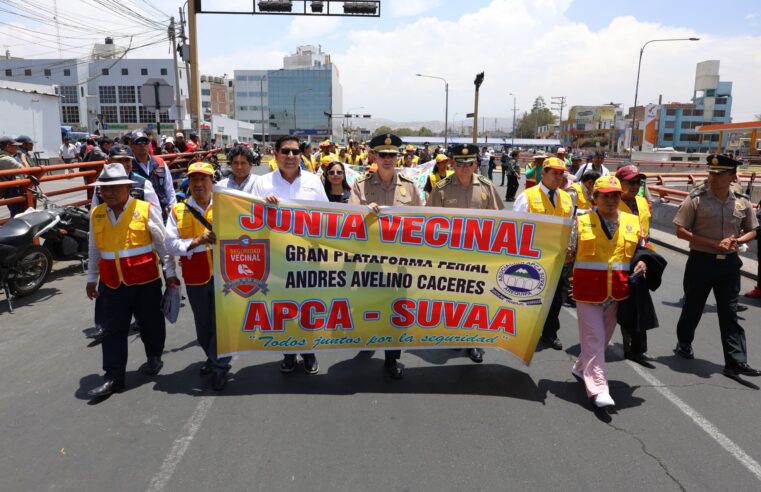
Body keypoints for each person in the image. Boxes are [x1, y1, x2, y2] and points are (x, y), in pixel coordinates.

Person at [85, 163, 178, 397]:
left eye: (115, 188)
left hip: (144, 280)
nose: (109, 193)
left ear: (127, 188)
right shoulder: (96, 214)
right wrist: (91, 278)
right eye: (105, 189)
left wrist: (170, 276)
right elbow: (94, 247)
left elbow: (163, 245)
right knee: (112, 330)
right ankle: (113, 377)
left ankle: (154, 356)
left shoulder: (145, 209)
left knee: (151, 323)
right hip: (112, 283)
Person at [673, 154, 760, 377]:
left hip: (729, 264)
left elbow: (753, 229)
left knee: (729, 312)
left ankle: (735, 361)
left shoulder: (741, 199)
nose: (713, 177)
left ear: (732, 176)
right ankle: (684, 342)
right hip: (701, 261)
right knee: (693, 306)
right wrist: (714, 243)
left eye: (719, 174)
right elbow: (681, 231)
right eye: (711, 172)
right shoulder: (696, 198)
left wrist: (738, 241)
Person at [251, 135, 328, 375]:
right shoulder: (262, 183)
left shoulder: (313, 181)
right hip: (277, 258)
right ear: (275, 154)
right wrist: (264, 207)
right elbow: (249, 215)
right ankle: (287, 353)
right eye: (285, 151)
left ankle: (308, 351)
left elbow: (327, 215)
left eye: (295, 152)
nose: (291, 156)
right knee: (282, 308)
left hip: (308, 257)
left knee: (307, 307)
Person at [349, 133, 421, 379]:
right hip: (371, 263)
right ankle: (369, 339)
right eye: (383, 154)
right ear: (374, 156)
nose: (388, 159)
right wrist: (363, 211)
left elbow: (423, 223)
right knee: (370, 308)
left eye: (392, 155)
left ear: (398, 157)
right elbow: (349, 218)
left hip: (400, 263)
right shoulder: (361, 185)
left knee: (395, 311)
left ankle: (392, 358)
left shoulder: (410, 187)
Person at [570, 176, 646, 408]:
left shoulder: (633, 222)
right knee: (594, 338)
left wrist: (644, 263)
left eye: (615, 195)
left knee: (602, 340)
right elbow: (568, 252)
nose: (611, 200)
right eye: (605, 196)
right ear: (595, 198)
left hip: (617, 292)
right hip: (587, 292)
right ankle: (599, 388)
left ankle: (581, 367)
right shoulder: (580, 222)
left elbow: (642, 251)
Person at [427, 143, 503, 363]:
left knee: (476, 300)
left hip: (479, 257)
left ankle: (472, 342)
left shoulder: (487, 187)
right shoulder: (441, 188)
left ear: (476, 164)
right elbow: (429, 223)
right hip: (450, 257)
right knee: (453, 299)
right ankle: (453, 335)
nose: (464, 168)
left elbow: (500, 221)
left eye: (469, 163)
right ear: (452, 164)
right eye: (459, 164)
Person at [165, 162, 231, 391]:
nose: (199, 184)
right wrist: (197, 241)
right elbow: (170, 244)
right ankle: (212, 357)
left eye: (204, 179)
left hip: (226, 277)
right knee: (203, 326)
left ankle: (219, 367)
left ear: (212, 181)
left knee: (221, 323)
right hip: (195, 278)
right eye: (194, 180)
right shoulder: (177, 210)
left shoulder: (227, 205)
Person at [514, 157, 574, 350]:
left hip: (558, 259)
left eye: (561, 173)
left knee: (556, 300)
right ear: (544, 173)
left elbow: (570, 227)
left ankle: (550, 333)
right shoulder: (528, 196)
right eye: (554, 173)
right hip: (533, 258)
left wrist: (571, 248)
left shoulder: (565, 197)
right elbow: (517, 227)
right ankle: (523, 333)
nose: (558, 177)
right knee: (529, 299)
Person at [130, 130, 176, 219]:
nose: (142, 145)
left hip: (162, 212)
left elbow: (169, 189)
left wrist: (172, 210)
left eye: (145, 142)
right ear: (131, 146)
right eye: (138, 142)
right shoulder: (129, 166)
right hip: (139, 215)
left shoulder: (160, 162)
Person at [0, 136, 24, 216]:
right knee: (17, 213)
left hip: (8, 187)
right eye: (15, 145)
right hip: (11, 189)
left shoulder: (6, 157)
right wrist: (23, 158)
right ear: (7, 146)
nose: (17, 147)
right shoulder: (6, 159)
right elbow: (26, 170)